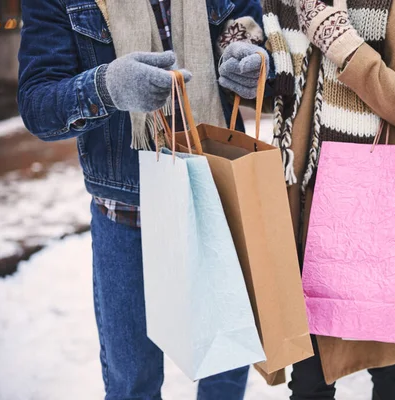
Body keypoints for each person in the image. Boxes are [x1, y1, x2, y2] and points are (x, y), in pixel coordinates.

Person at [18, 0, 267, 398]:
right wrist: (106, 87)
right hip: (127, 216)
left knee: (226, 365)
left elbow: (251, 28)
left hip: (217, 195)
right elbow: (36, 103)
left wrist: (251, 58)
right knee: (133, 383)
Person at [219, 0, 395, 398]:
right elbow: (284, 69)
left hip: (380, 217)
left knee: (392, 373)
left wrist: (345, 46)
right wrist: (251, 49)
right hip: (305, 217)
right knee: (309, 380)